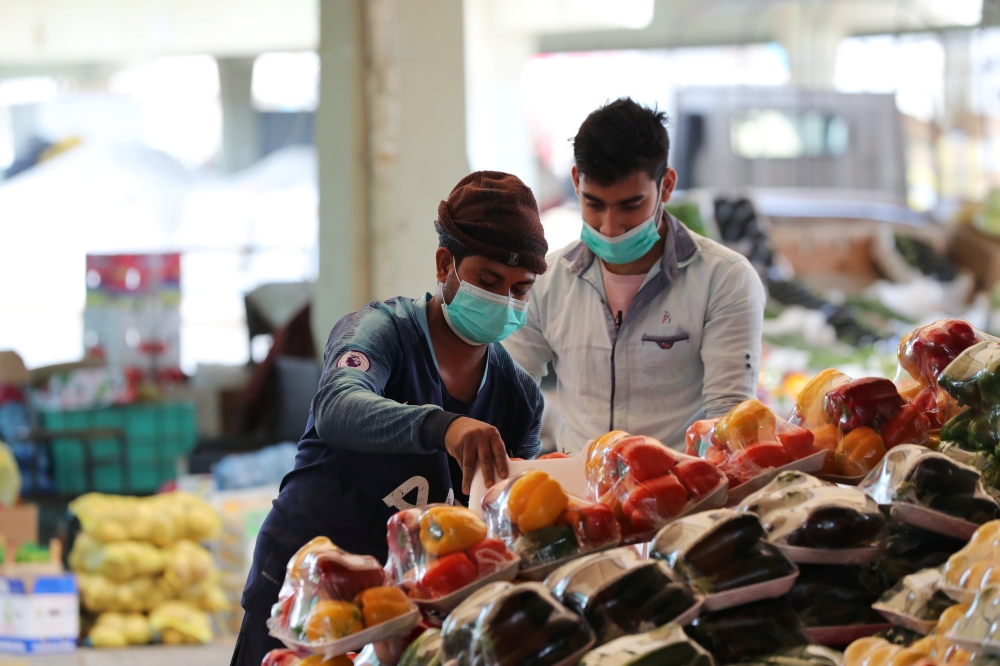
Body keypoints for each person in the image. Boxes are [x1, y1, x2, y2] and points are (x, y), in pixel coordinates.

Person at [230, 171, 548, 666]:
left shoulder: (519, 400)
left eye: (520, 289)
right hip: (310, 588)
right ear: (445, 264)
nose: (504, 301)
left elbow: (503, 523)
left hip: (409, 612)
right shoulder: (380, 333)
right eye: (489, 281)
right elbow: (337, 407)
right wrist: (443, 426)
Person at [504, 98, 765, 454]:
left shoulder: (725, 280)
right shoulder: (547, 283)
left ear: (667, 186)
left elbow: (729, 422)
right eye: (594, 204)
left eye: (631, 205)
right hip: (581, 500)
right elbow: (509, 402)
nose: (611, 227)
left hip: (683, 498)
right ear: (576, 182)